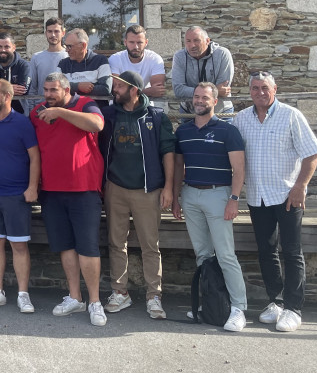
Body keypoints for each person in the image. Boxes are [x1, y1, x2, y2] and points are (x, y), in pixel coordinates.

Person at [232, 71, 317, 332]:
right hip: (257, 196)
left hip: (287, 196)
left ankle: (294, 309)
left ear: (275, 90)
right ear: (250, 91)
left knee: (292, 252)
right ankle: (276, 301)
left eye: (265, 88)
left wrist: (300, 186)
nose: (260, 92)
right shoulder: (241, 119)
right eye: (255, 88)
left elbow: (312, 154)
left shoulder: (291, 115)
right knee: (266, 251)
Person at [30, 72, 106, 325]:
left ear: (66, 90)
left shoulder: (85, 103)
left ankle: (95, 302)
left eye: (53, 90)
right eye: (46, 90)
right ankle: (75, 297)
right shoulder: (37, 113)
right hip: (51, 190)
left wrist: (61, 113)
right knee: (65, 246)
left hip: (84, 189)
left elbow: (97, 124)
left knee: (88, 247)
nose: (48, 95)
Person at [98, 70, 175, 319]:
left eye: (120, 86)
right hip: (115, 187)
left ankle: (154, 296)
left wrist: (168, 188)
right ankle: (120, 292)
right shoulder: (108, 115)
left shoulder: (156, 116)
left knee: (150, 245)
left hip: (147, 189)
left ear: (134, 90)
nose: (115, 90)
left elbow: (168, 153)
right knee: (116, 243)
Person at [173, 82, 248, 332]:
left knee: (225, 255)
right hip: (190, 195)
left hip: (219, 195)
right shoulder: (183, 131)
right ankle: (211, 304)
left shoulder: (228, 131)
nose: (199, 101)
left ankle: (238, 308)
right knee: (203, 255)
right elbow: (178, 167)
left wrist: (234, 199)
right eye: (196, 96)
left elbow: (239, 169)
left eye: (205, 97)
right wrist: (176, 198)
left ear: (215, 101)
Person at [0, 79, 40, 313]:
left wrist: (32, 187)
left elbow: (35, 157)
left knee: (19, 246)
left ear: (7, 97)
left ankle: (23, 294)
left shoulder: (22, 123)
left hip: (16, 194)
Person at [170, 26, 234, 115]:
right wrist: (214, 91)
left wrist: (192, 92)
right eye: (188, 41)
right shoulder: (179, 56)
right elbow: (178, 90)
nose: (192, 45)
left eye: (196, 40)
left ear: (207, 41)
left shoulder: (222, 54)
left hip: (219, 112)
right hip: (189, 112)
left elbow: (223, 89)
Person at [107, 25, 167, 108]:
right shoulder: (115, 59)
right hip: (119, 107)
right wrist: (147, 91)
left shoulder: (155, 59)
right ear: (125, 42)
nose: (135, 47)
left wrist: (130, 92)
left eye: (139, 42)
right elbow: (116, 90)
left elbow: (158, 91)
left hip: (145, 107)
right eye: (131, 42)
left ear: (146, 42)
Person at [58, 28, 112, 103]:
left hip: (95, 107)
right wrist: (78, 86)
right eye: (66, 46)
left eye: (70, 46)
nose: (67, 50)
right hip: (69, 108)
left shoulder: (100, 61)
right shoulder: (63, 64)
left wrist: (69, 88)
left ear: (83, 45)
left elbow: (105, 89)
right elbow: (56, 87)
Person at [27, 17, 67, 98]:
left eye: (56, 31)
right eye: (50, 31)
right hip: (42, 104)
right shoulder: (36, 58)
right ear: (46, 33)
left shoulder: (69, 56)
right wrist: (34, 105)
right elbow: (32, 88)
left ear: (63, 33)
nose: (53, 35)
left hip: (64, 104)